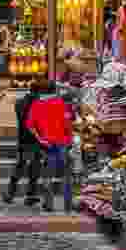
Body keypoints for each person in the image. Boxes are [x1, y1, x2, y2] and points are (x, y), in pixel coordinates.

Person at [26, 82, 75, 212]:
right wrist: (70, 140)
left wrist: (40, 139)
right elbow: (68, 124)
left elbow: (30, 126)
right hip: (63, 143)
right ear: (55, 91)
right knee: (66, 175)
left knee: (47, 175)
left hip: (46, 144)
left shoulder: (36, 105)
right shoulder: (61, 104)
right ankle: (68, 205)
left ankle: (49, 204)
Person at [3, 79, 52, 205]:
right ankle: (30, 195)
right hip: (34, 140)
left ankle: (10, 193)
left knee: (19, 166)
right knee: (34, 168)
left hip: (22, 139)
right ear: (39, 91)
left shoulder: (19, 103)